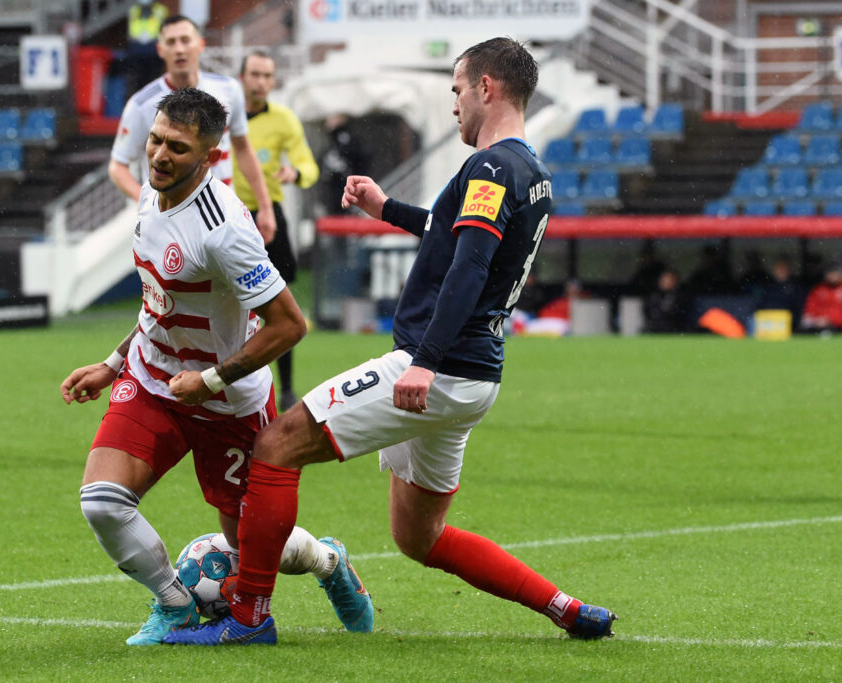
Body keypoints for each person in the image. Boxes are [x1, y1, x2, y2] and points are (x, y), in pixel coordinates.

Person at [163, 37, 617, 647]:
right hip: (475, 376)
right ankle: (566, 608)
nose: (453, 103)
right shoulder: (527, 171)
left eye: (457, 89)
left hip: (438, 369)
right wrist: (387, 208)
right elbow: (451, 234)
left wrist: (424, 363)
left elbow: (470, 266)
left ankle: (247, 618)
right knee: (418, 538)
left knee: (274, 446)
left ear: (487, 88)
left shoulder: (491, 166)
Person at [61, 89, 371, 646]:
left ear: (208, 157)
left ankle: (327, 561)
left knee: (251, 546)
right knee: (103, 502)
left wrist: (209, 381)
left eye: (177, 148)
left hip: (226, 403)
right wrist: (113, 363)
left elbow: (288, 325)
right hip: (153, 382)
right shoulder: (149, 195)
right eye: (155, 140)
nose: (158, 155)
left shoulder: (224, 227)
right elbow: (159, 301)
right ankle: (176, 606)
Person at [108, 14, 277, 242]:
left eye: (185, 40)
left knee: (244, 277)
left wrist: (265, 207)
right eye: (171, 42)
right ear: (160, 50)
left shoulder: (229, 89)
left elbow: (243, 148)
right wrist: (150, 204)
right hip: (171, 224)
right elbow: (118, 166)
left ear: (201, 44)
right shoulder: (141, 105)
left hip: (225, 216)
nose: (179, 49)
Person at [235, 50, 321, 410]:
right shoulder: (223, 117)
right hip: (226, 217)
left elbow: (308, 165)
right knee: (228, 304)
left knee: (278, 305)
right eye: (255, 74)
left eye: (267, 76)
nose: (261, 82)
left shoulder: (284, 119)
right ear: (241, 77)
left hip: (267, 218)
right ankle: (230, 383)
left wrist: (295, 174)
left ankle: (285, 388)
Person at [319, 113, 367, 216]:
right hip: (336, 188)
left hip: (343, 186)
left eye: (332, 118)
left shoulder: (344, 137)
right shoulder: (335, 138)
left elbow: (355, 157)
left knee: (342, 211)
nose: (328, 122)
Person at [125, 0, 168, 94]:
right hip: (137, 51)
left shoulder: (160, 10)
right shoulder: (134, 11)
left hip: (153, 50)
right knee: (136, 82)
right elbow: (130, 32)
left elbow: (164, 31)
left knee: (152, 81)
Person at [799, 262, 842, 333]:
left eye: (834, 273)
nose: (832, 276)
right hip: (818, 328)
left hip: (841, 330)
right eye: (829, 273)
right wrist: (816, 320)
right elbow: (809, 311)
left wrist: (831, 320)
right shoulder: (818, 290)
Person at [643, 268, 686, 333]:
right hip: (653, 328)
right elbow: (647, 311)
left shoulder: (679, 296)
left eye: (668, 280)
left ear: (675, 281)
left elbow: (677, 315)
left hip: (672, 329)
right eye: (663, 280)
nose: (665, 282)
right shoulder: (654, 295)